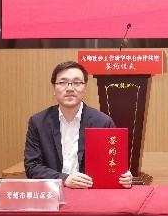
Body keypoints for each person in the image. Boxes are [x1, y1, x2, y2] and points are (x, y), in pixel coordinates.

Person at [24, 61, 133, 189]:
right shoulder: (38, 122)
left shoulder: (103, 122)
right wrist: (64, 179)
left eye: (77, 83)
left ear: (85, 88)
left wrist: (123, 176)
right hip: (53, 192)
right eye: (63, 82)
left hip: (90, 192)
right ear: (54, 88)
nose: (70, 88)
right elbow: (32, 167)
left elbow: (112, 165)